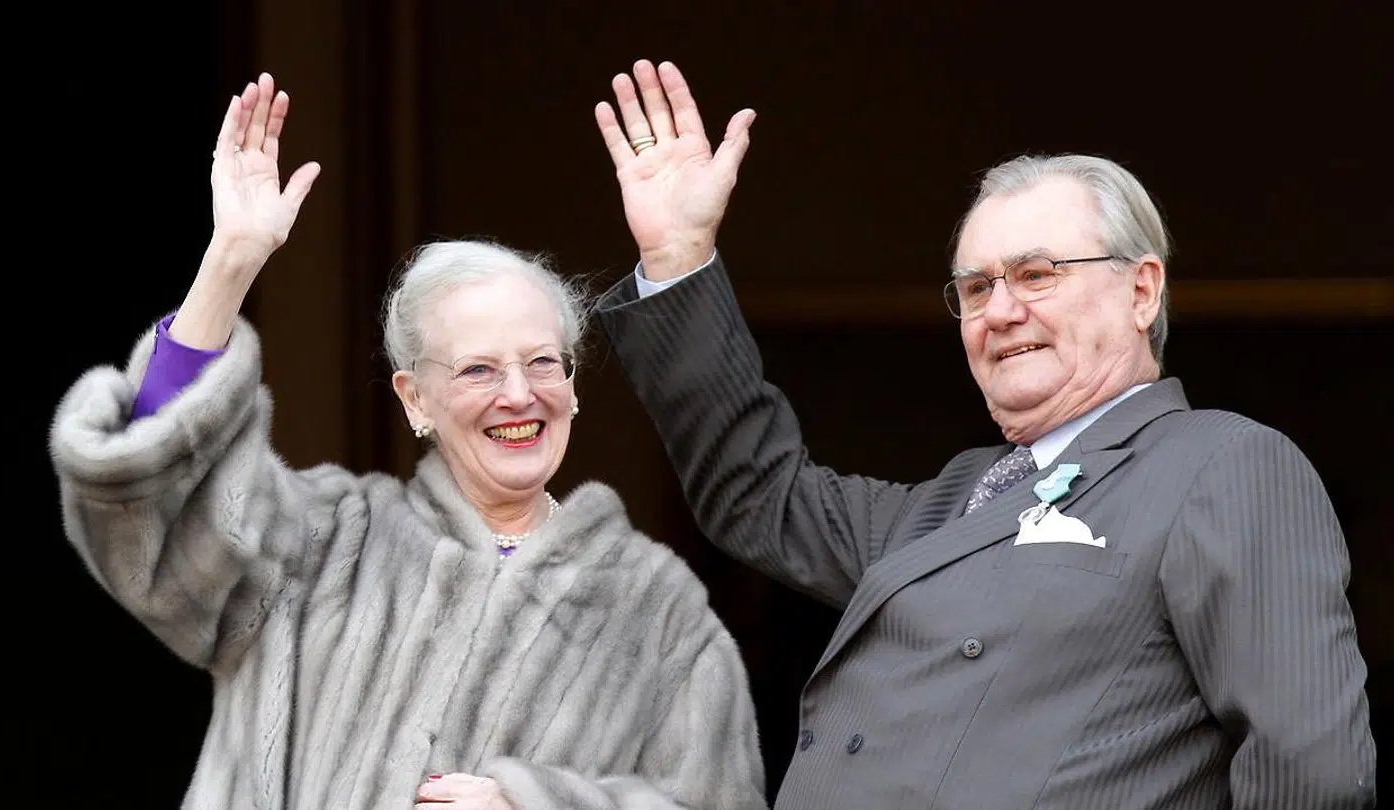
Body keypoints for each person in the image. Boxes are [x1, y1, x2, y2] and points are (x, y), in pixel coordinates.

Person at [588, 59, 1377, 809]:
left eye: (1038, 275)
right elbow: (762, 497)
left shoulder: (1220, 465)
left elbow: (1311, 771)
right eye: (975, 287)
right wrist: (679, 256)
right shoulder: (949, 503)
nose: (1001, 311)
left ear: (1141, 291)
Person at [48, 71, 768, 810]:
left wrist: (535, 804)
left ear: (574, 385)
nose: (518, 395)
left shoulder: (659, 614)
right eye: (478, 369)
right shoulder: (314, 545)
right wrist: (230, 260)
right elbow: (153, 521)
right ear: (414, 398)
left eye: (542, 363)